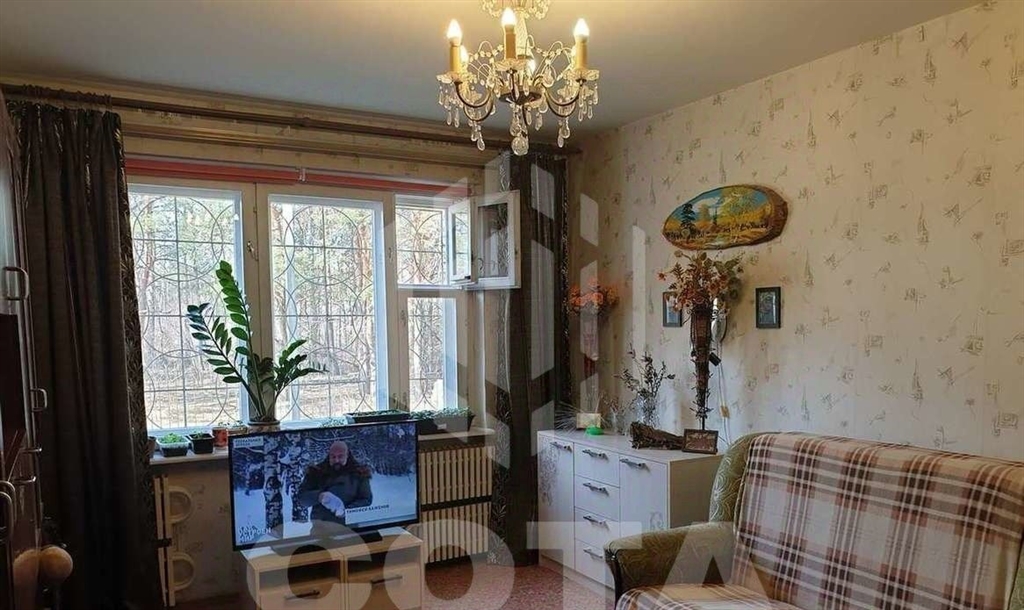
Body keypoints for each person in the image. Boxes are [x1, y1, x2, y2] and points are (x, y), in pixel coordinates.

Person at [295, 440, 373, 528]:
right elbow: (302, 499)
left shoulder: (360, 473)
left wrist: (346, 511)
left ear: (347, 455)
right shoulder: (316, 472)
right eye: (333, 456)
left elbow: (366, 499)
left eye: (340, 456)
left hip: (350, 529)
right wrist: (320, 496)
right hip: (320, 529)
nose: (336, 460)